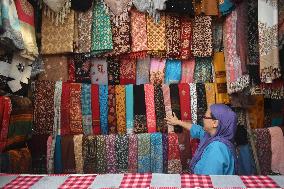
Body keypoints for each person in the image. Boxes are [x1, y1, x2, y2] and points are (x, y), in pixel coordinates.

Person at [165, 104, 237, 175]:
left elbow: (208, 181)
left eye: (205, 116)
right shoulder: (212, 136)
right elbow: (198, 130)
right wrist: (178, 122)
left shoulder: (217, 148)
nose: (203, 119)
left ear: (215, 123)